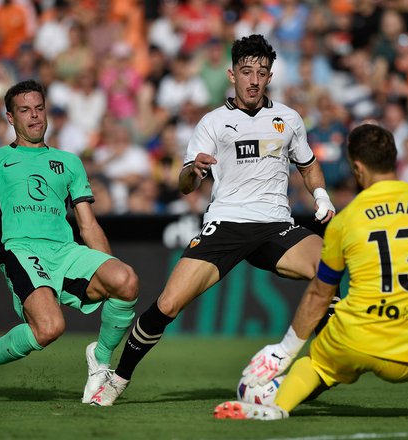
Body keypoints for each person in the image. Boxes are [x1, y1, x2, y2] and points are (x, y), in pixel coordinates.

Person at [86, 34, 337, 406]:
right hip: (227, 223)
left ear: (270, 77)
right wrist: (194, 170)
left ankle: (307, 370)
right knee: (167, 305)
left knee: (329, 268)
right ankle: (116, 380)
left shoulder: (288, 119)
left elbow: (309, 165)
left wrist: (320, 195)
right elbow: (186, 184)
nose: (254, 80)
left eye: (262, 72)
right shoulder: (213, 122)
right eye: (246, 71)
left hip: (275, 225)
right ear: (231, 74)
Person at [214, 123, 408, 420]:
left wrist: (283, 351)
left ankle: (278, 405)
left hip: (354, 341)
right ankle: (276, 397)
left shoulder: (346, 221)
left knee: (319, 364)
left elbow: (320, 295)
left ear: (359, 168)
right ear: (395, 160)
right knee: (339, 357)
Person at [0, 80, 139, 404]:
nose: (35, 116)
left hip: (66, 251)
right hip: (22, 250)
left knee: (125, 280)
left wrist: (107, 268)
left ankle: (100, 360)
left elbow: (87, 224)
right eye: (25, 110)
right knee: (50, 328)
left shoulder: (69, 161)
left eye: (39, 108)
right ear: (10, 118)